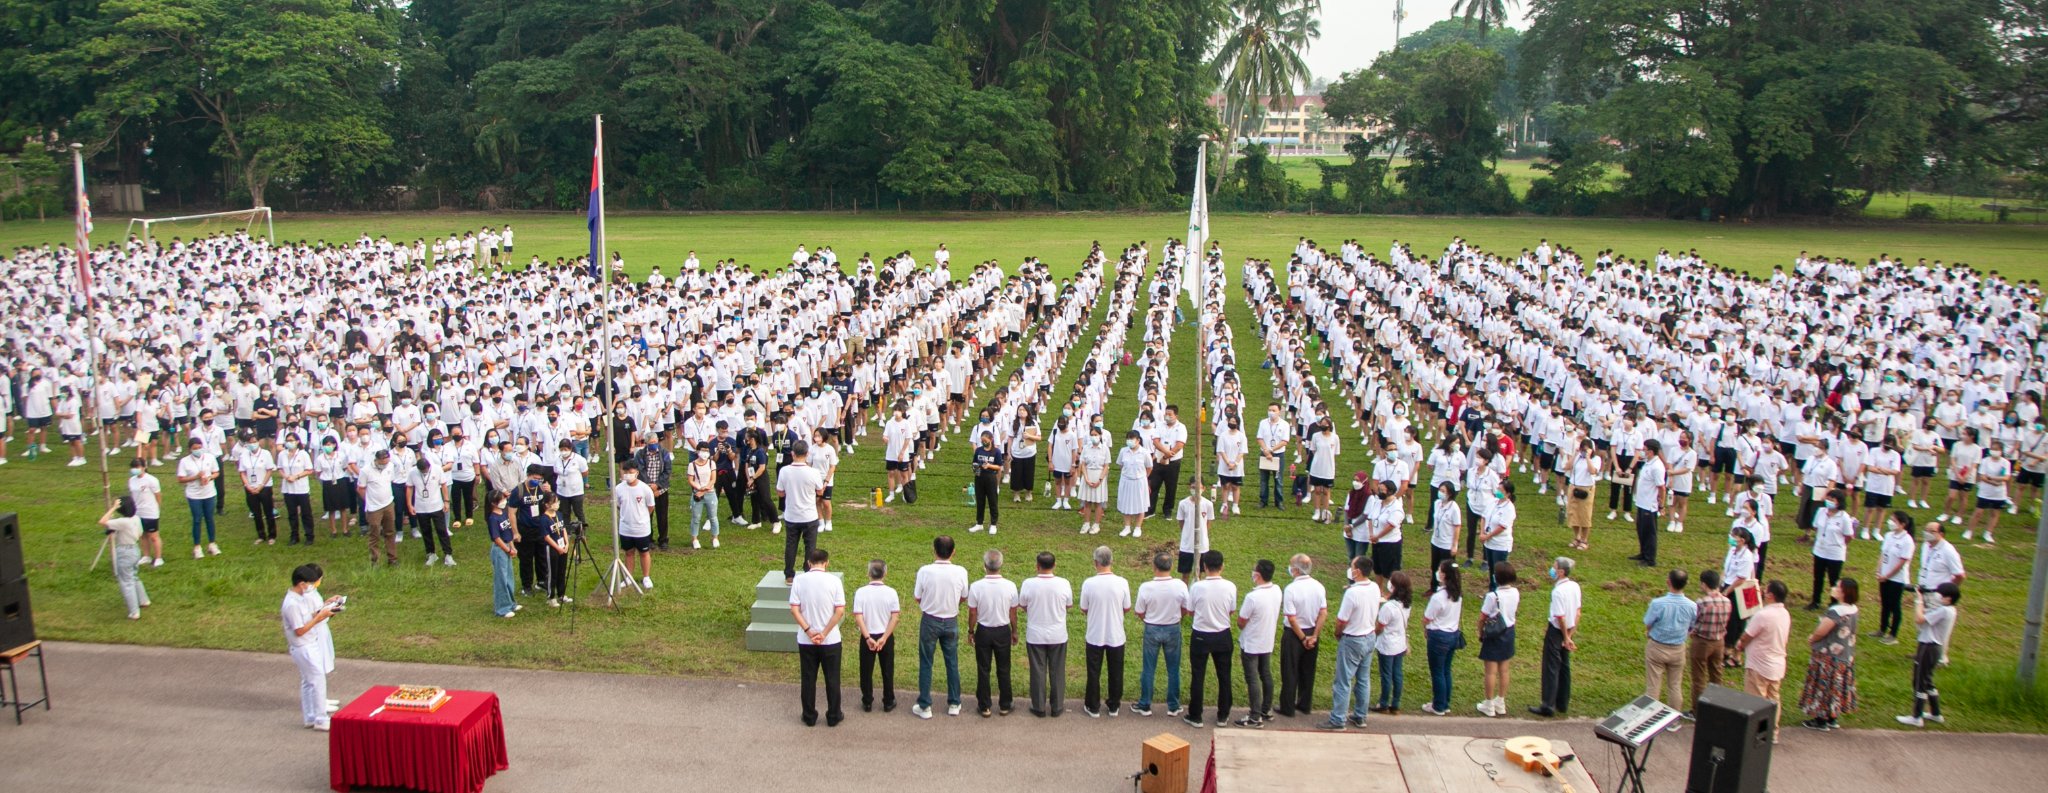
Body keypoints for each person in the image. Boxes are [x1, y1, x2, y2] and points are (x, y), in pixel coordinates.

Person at [911, 535, 969, 719]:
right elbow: (964, 596)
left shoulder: (925, 571)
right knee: (952, 661)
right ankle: (954, 702)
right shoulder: (961, 571)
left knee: (926, 661)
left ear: (934, 550)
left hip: (930, 620)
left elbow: (918, 596)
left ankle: (925, 705)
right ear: (953, 552)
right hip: (950, 619)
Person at [1321, 555, 1380, 730]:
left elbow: (1341, 620)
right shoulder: (1375, 587)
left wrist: (1338, 633)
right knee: (1363, 679)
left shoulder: (1352, 593)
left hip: (1353, 638)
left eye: (1352, 566)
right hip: (1369, 636)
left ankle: (1338, 719)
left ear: (1357, 571)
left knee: (1343, 680)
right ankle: (1360, 716)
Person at [789, 548, 847, 727]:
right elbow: (839, 611)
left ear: (808, 563)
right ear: (826, 563)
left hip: (806, 640)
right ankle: (833, 715)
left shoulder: (799, 580)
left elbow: (794, 609)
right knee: (832, 678)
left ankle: (809, 715)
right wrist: (824, 632)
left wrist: (808, 630)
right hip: (830, 639)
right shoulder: (834, 581)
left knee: (808, 678)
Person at [280, 563, 341, 731]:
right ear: (301, 584)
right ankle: (321, 718)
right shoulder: (291, 604)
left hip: (307, 644)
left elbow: (308, 616)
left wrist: (324, 610)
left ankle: (310, 716)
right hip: (304, 646)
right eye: (310, 583)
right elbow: (300, 630)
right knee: (317, 680)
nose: (311, 587)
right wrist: (319, 618)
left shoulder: (299, 599)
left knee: (308, 682)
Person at [1799, 577, 1861, 731]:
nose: (1834, 588)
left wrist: (1812, 638)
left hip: (1828, 656)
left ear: (1843, 592)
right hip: (1845, 655)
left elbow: (1822, 630)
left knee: (1824, 685)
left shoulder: (1835, 611)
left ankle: (1821, 719)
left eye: (1837, 586)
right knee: (1836, 687)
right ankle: (1832, 717)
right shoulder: (1853, 609)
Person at [1015, 551, 1073, 718]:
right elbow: (1068, 605)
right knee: (1058, 670)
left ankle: (1039, 706)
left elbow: (1023, 605)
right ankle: (1057, 706)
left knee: (1037, 670)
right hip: (1058, 634)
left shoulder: (1028, 583)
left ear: (1037, 566)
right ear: (1054, 565)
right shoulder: (1063, 583)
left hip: (1035, 634)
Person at [1896, 581, 1960, 727]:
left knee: (1919, 681)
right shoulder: (1949, 610)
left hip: (1928, 646)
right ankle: (1935, 713)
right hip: (1935, 647)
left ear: (1948, 598)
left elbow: (1919, 619)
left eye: (1940, 594)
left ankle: (1916, 717)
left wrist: (1918, 600)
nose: (1937, 595)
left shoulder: (1944, 611)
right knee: (1928, 680)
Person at [1185, 549, 1237, 729]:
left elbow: (1190, 611)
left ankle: (1196, 715)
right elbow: (1231, 610)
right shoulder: (1230, 586)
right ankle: (1223, 714)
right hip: (1222, 634)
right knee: (1224, 675)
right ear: (1222, 566)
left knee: (1198, 675)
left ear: (1204, 566)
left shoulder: (1197, 587)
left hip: (1201, 634)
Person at [1132, 551, 1188, 718]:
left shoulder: (1146, 587)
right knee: (1173, 669)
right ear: (1171, 567)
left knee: (1148, 668)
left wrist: (1150, 619)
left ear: (1154, 567)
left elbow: (1139, 611)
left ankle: (1145, 704)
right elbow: (1186, 608)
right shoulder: (1180, 585)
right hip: (1172, 628)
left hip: (1152, 628)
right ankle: (1173, 706)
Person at [1079, 545, 1132, 718]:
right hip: (1116, 634)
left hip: (1095, 633)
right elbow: (1126, 607)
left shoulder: (1089, 583)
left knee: (1093, 671)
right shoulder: (1122, 582)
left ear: (1095, 562)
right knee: (1116, 670)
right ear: (1111, 561)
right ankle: (1114, 705)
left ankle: (1093, 705)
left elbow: (1084, 608)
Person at [967, 549, 1019, 718]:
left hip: (984, 630)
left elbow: (973, 613)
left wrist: (971, 631)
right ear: (1001, 565)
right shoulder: (1010, 586)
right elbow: (1013, 613)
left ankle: (984, 706)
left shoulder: (976, 587)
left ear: (985, 566)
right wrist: (1015, 631)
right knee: (1004, 668)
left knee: (983, 668)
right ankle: (1005, 704)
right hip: (1003, 630)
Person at [1737, 580, 1792, 741]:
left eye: (1765, 590)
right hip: (1777, 665)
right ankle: (1771, 733)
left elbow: (1747, 636)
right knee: (1773, 700)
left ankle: (1755, 734)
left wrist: (1739, 647)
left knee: (1755, 701)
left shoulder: (1763, 615)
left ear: (1770, 596)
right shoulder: (1785, 614)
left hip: (1759, 665)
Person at [1278, 553, 1328, 719]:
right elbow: (1323, 612)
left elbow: (1291, 618)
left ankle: (1288, 706)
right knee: (1308, 670)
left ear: (1296, 570)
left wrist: (1302, 638)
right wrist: (1314, 636)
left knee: (1290, 670)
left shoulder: (1291, 589)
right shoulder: (1319, 586)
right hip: (1312, 632)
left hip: (1294, 635)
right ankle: (1305, 704)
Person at [1530, 557, 1581, 717]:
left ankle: (1548, 705)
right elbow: (1578, 612)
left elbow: (1560, 616)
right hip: (1568, 630)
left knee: (1551, 667)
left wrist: (1565, 637)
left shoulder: (1558, 591)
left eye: (1554, 567)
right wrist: (1570, 636)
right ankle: (1562, 703)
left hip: (1557, 631)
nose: (1551, 569)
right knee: (1564, 666)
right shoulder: (1574, 586)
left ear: (1560, 572)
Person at [1643, 569, 1697, 715]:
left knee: (1653, 685)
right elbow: (1692, 625)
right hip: (1678, 648)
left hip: (1657, 646)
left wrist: (1649, 631)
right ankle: (1673, 719)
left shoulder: (1658, 603)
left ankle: (1648, 716)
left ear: (1668, 582)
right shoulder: (1692, 606)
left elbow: (1648, 622)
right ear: (1686, 584)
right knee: (1675, 685)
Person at [1235, 559, 1281, 727]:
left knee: (1252, 678)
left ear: (1258, 575)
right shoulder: (1276, 590)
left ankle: (1255, 716)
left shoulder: (1252, 597)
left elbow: (1241, 621)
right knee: (1265, 674)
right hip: (1267, 639)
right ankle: (1265, 709)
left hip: (1252, 643)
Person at [776, 440, 826, 584]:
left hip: (791, 515)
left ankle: (789, 575)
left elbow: (780, 493)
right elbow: (820, 491)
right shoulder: (814, 472)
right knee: (810, 546)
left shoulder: (784, 471)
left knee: (791, 545)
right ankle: (808, 571)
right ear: (807, 454)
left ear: (792, 453)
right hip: (809, 515)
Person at [1476, 562, 1521, 717]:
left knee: (1490, 672)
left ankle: (1488, 704)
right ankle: (1500, 701)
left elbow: (1482, 617)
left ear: (1497, 578)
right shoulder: (1515, 592)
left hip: (1494, 633)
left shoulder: (1492, 596)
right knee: (1504, 669)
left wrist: (1480, 632)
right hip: (1509, 631)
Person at [1685, 569, 1730, 718]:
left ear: (1704, 584)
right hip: (1719, 641)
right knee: (1716, 675)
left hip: (1702, 641)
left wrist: (1692, 631)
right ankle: (1717, 706)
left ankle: (1697, 711)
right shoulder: (1727, 601)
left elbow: (1695, 621)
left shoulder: (1702, 602)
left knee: (1699, 677)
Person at [1421, 560, 1464, 716]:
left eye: (1439, 570)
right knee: (1446, 670)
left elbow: (1427, 617)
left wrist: (1425, 627)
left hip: (1438, 636)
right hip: (1452, 634)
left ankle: (1438, 705)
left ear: (1444, 575)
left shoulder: (1438, 597)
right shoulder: (1457, 594)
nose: (1437, 572)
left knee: (1437, 671)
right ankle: (1444, 703)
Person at [98, 497, 151, 619]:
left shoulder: (123, 522)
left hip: (124, 552)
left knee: (126, 582)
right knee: (134, 576)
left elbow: (102, 521)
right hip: (135, 550)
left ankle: (134, 612)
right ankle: (143, 600)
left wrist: (113, 508)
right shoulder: (136, 518)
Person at [1373, 570, 1413, 715]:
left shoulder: (1388, 607)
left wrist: (1373, 634)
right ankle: (1395, 703)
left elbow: (1380, 627)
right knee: (1397, 674)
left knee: (1386, 674)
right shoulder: (1406, 604)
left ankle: (1383, 702)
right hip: (1399, 643)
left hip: (1387, 644)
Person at [613, 462, 656, 590]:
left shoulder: (645, 489)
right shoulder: (618, 488)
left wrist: (642, 518)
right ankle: (628, 577)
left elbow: (651, 506)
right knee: (629, 553)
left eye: (631, 473)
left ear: (636, 473)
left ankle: (646, 577)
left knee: (644, 552)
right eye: (626, 473)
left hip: (641, 528)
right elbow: (618, 505)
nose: (628, 475)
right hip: (625, 528)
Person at [1809, 488, 1854, 610]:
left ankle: (1834, 602)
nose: (1829, 501)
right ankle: (1815, 600)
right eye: (1828, 498)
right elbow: (1816, 527)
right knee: (1818, 577)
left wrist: (1838, 544)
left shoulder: (1844, 517)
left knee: (1833, 580)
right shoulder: (1821, 511)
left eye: (1832, 499)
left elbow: (1849, 536)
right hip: (1819, 550)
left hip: (1835, 553)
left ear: (1839, 502)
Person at [1875, 511, 1915, 645]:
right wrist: (1879, 570)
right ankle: (1882, 628)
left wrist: (1887, 576)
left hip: (1897, 579)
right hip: (1884, 576)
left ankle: (1893, 634)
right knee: (1885, 603)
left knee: (1894, 605)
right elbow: (1883, 553)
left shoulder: (1907, 540)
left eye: (1894, 521)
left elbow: (1902, 562)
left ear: (1902, 524)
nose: (1890, 522)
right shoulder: (1888, 536)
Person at [177, 437, 220, 559]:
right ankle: (197, 546)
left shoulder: (209, 457)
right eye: (195, 448)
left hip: (209, 492)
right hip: (194, 494)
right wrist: (195, 477)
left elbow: (216, 472)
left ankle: (212, 543)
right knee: (197, 519)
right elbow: (180, 479)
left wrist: (210, 477)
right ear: (190, 449)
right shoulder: (185, 461)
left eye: (199, 447)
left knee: (209, 518)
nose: (198, 450)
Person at [358, 448, 399, 565]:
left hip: (388, 504)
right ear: (377, 460)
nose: (385, 464)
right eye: (383, 462)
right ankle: (374, 560)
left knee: (390, 532)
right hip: (374, 508)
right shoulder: (366, 471)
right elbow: (361, 488)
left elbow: (390, 480)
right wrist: (368, 500)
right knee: (374, 534)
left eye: (387, 461)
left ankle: (392, 558)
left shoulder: (390, 466)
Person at [1631, 439, 1667, 567]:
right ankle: (1643, 552)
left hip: (1649, 505)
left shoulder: (1657, 467)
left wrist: (1661, 504)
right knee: (1641, 530)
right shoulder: (1648, 463)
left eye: (1645, 450)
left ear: (1651, 451)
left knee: (1649, 532)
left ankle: (1650, 558)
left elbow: (1661, 487)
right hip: (1641, 502)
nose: (1643, 452)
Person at [485, 493, 520, 618]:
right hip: (500, 550)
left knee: (509, 576)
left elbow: (508, 532)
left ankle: (511, 603)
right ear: (494, 503)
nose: (504, 501)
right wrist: (507, 549)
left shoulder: (503, 513)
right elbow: (496, 538)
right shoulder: (493, 518)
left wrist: (512, 547)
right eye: (502, 499)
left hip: (507, 546)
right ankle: (502, 608)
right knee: (501, 579)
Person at [128, 458, 165, 567]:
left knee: (153, 536)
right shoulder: (131, 480)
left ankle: (158, 558)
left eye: (138, 467)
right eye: (134, 467)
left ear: (144, 467)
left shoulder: (152, 480)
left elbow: (158, 495)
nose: (135, 469)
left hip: (150, 512)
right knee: (142, 536)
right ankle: (146, 556)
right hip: (138, 512)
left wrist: (157, 508)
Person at [1116, 430, 1152, 536]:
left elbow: (1149, 467)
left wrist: (1143, 477)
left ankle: (1138, 527)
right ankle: (1127, 527)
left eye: (1132, 439)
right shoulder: (1123, 451)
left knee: (1140, 503)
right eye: (1128, 439)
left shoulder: (1144, 452)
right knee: (1125, 503)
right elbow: (1121, 465)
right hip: (1126, 480)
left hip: (1139, 481)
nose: (1129, 441)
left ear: (1138, 440)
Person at [1175, 478, 1212, 580]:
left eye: (1198, 488)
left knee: (1200, 572)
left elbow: (1208, 521)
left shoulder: (1208, 504)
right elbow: (1181, 521)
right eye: (1192, 487)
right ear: (1189, 487)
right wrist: (1187, 533)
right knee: (1185, 573)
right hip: (1187, 545)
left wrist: (1203, 534)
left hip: (1202, 544)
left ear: (1203, 488)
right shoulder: (1183, 504)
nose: (1195, 490)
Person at [970, 429, 1005, 535]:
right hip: (979, 477)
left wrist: (989, 466)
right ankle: (979, 523)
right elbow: (974, 462)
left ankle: (993, 524)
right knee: (980, 501)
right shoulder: (978, 450)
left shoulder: (996, 452)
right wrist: (976, 469)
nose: (983, 442)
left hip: (991, 477)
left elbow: (999, 467)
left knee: (992, 502)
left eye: (985, 440)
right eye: (982, 440)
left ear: (991, 439)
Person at [687, 442, 720, 549]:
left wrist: (705, 489)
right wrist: (698, 488)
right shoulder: (692, 465)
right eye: (702, 450)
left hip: (710, 493)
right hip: (697, 493)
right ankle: (695, 539)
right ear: (697, 451)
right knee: (696, 518)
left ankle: (715, 537)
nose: (705, 453)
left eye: (707, 450)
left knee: (713, 517)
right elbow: (690, 480)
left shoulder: (711, 463)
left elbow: (713, 479)